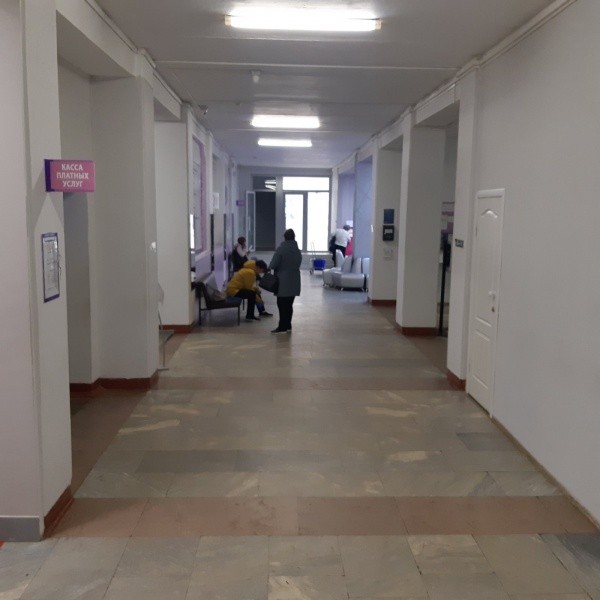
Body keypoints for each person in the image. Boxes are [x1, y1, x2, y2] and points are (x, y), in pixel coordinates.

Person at [268, 229, 302, 334]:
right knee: (289, 304)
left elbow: (273, 264)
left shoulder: (281, 249)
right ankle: (288, 325)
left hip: (283, 280)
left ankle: (282, 327)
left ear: (285, 237)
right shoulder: (297, 250)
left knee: (282, 304)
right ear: (294, 237)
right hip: (295, 280)